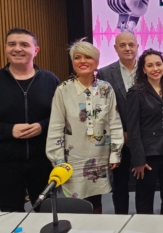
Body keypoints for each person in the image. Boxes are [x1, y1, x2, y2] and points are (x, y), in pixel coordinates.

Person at [46, 39, 123, 214]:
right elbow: (56, 126)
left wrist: (115, 153)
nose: (82, 61)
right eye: (77, 57)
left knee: (96, 200)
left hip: (100, 156)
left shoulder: (106, 89)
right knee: (76, 201)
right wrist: (57, 159)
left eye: (88, 57)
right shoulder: (63, 90)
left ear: (96, 62)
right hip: (74, 157)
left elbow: (114, 122)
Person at [0, 28, 60, 212]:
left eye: (24, 44)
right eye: (12, 44)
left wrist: (42, 126)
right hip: (3, 164)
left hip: (43, 161)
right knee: (10, 214)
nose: (17, 49)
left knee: (47, 212)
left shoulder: (50, 80)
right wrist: (8, 130)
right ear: (5, 48)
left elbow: (62, 117)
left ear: (36, 50)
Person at [126, 49, 163, 214]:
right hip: (147, 157)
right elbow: (133, 129)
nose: (155, 68)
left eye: (158, 64)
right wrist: (138, 160)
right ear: (143, 69)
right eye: (149, 65)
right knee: (145, 199)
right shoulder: (136, 92)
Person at [97, 32, 139, 214]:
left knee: (144, 184)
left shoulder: (147, 69)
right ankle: (120, 218)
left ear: (137, 46)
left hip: (143, 138)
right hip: (117, 138)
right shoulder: (105, 73)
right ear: (115, 48)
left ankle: (144, 219)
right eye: (122, 45)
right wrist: (121, 132)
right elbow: (104, 107)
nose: (127, 48)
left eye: (131, 44)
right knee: (120, 184)